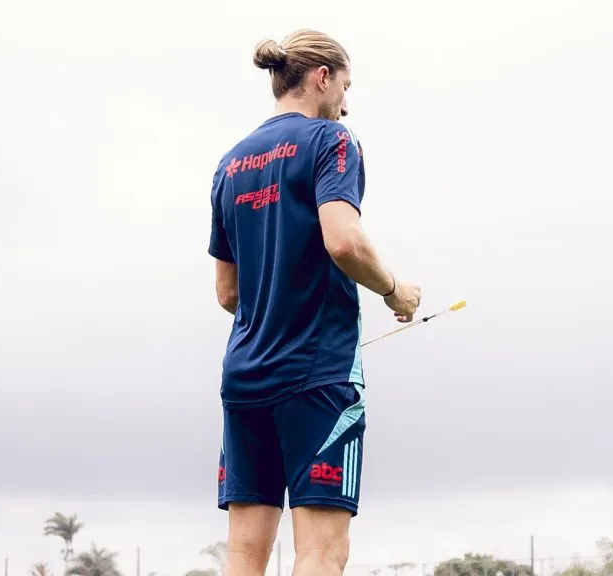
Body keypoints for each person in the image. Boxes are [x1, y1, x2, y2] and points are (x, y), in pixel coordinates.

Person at [207, 29, 422, 576]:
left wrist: (277, 307)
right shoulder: (333, 141)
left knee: (243, 555)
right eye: (345, 87)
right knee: (322, 552)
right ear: (322, 78)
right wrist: (394, 290)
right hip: (318, 376)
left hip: (244, 378)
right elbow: (344, 241)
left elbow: (228, 293)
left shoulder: (229, 164)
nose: (345, 106)